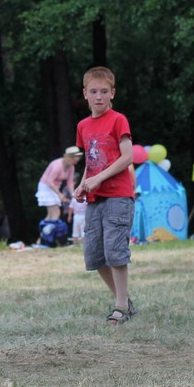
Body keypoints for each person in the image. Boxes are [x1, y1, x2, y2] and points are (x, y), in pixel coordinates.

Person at [71, 66, 137, 325]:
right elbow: (91, 160)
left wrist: (99, 179)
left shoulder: (118, 120)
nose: (99, 96)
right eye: (93, 91)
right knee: (95, 256)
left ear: (113, 94)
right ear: (85, 94)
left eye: (104, 92)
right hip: (95, 198)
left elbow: (128, 157)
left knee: (115, 251)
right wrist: (83, 182)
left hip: (118, 196)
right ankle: (126, 302)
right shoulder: (83, 126)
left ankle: (120, 306)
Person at [36, 146, 83, 221]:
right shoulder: (57, 165)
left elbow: (70, 182)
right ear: (70, 157)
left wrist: (73, 195)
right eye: (75, 160)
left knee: (52, 213)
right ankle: (51, 231)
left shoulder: (71, 167)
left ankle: (46, 231)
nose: (76, 162)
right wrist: (60, 194)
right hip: (46, 187)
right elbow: (49, 181)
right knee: (55, 212)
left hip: (54, 188)